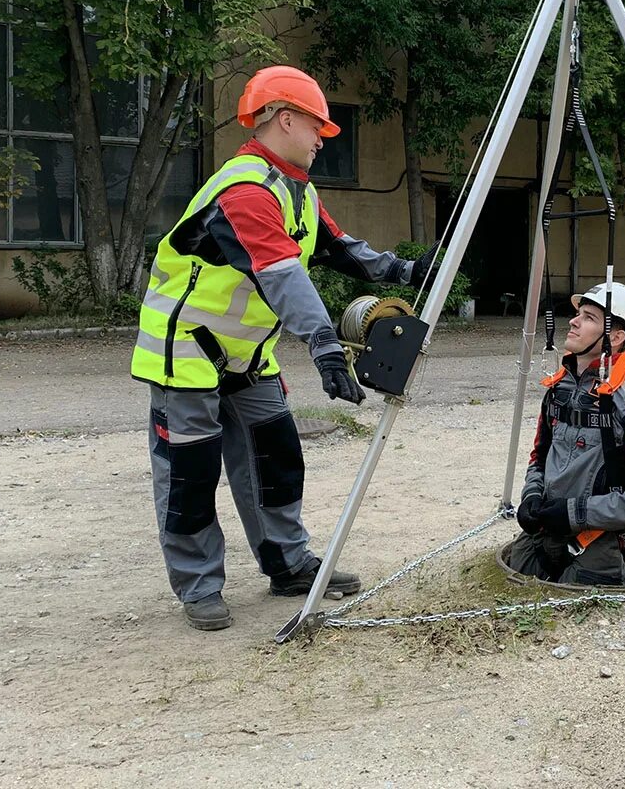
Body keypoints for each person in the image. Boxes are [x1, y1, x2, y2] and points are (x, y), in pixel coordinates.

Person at [131, 65, 440, 630]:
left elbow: (340, 249)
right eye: (318, 126)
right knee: (190, 474)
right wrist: (324, 346)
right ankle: (199, 587)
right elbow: (280, 274)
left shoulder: (296, 189)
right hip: (185, 356)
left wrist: (409, 270)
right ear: (286, 119)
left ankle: (289, 564)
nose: (323, 138)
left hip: (249, 356)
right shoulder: (245, 189)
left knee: (277, 460)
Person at [508, 281, 625, 586]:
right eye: (579, 314)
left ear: (615, 337)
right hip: (547, 529)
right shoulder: (559, 389)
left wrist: (576, 513)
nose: (573, 321)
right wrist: (532, 496)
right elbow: (540, 456)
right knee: (510, 591)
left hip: (601, 541)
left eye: (589, 317)